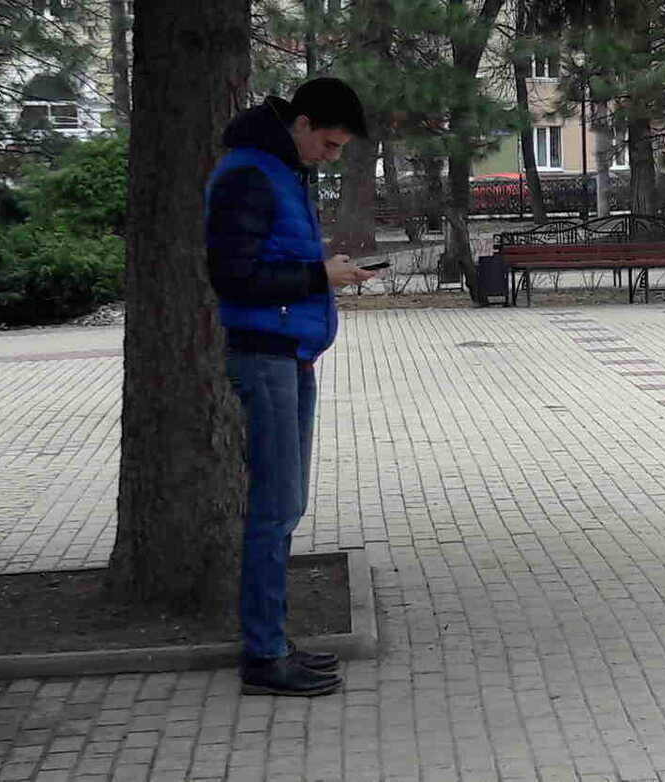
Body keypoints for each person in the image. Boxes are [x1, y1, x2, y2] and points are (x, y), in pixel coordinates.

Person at [205, 78, 376, 696]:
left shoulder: (281, 171)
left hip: (289, 353)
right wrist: (318, 275)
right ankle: (264, 655)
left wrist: (321, 275)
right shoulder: (250, 174)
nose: (330, 158)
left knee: (286, 504)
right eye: (328, 144)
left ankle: (272, 643)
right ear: (301, 123)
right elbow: (233, 276)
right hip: (265, 353)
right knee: (276, 506)